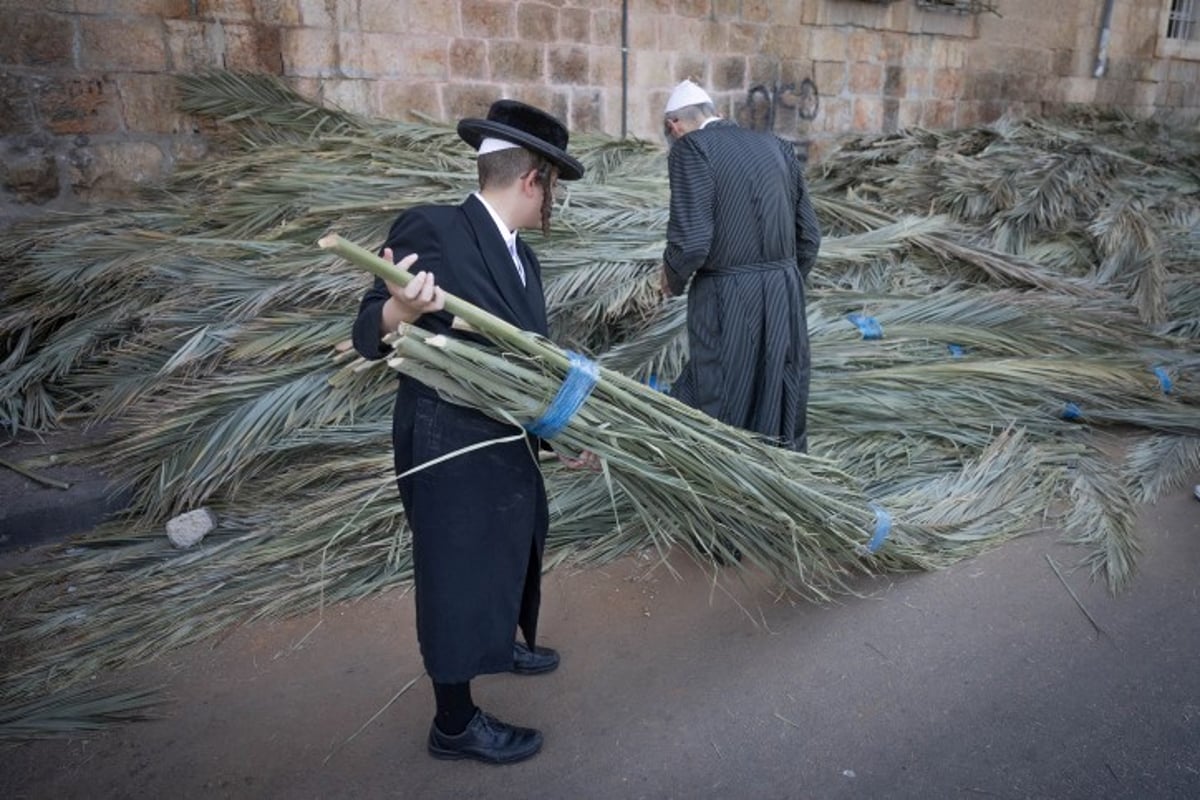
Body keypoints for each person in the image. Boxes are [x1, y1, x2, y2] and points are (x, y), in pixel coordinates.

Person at [351, 100, 585, 765]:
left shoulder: (526, 262)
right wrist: (401, 306)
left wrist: (564, 428)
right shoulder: (435, 228)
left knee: (514, 542)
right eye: (554, 185)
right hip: (447, 439)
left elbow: (531, 364)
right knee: (455, 571)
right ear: (534, 178)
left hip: (509, 438)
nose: (553, 202)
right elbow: (366, 331)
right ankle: (453, 722)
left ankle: (499, 641)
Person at [660, 79, 821, 453]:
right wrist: (782, 282)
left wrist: (671, 278)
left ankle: (728, 499)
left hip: (727, 298)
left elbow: (692, 243)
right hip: (785, 292)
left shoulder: (691, 149)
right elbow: (809, 236)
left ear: (674, 126)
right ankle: (787, 496)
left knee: (724, 404)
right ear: (715, 113)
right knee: (780, 401)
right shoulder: (777, 146)